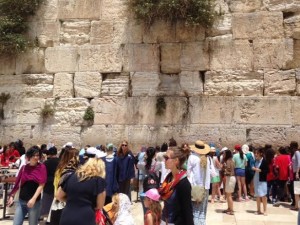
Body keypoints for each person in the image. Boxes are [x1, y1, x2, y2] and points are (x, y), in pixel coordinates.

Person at [56, 157, 106, 225]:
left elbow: (58, 196)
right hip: (85, 217)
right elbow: (100, 205)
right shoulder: (99, 181)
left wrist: (72, 200)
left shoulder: (70, 176)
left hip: (67, 216)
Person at [7, 146, 47, 225]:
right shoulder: (24, 168)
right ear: (29, 156)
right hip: (21, 201)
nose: (36, 157)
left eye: (37, 155)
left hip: (34, 203)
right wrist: (12, 196)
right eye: (34, 155)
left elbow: (41, 185)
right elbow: (18, 183)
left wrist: (33, 199)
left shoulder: (41, 167)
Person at [159, 146, 194, 225]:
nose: (164, 160)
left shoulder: (183, 184)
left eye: (167, 158)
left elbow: (187, 211)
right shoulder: (168, 179)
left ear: (176, 161)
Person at [49, 146, 79, 225]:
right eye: (77, 156)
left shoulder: (60, 168)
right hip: (64, 203)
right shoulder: (69, 172)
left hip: (57, 202)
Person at [187, 140, 211, 225]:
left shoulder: (192, 157)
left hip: (195, 188)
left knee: (195, 211)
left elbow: (188, 174)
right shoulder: (207, 159)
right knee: (202, 211)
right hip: (206, 188)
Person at [137, 147, 161, 214]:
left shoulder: (142, 164)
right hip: (154, 192)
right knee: (154, 213)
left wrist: (144, 158)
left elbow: (137, 164)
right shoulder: (158, 164)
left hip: (144, 191)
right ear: (155, 154)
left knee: (146, 213)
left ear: (146, 154)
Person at [41, 146, 59, 217]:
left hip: (48, 184)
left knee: (47, 205)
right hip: (58, 184)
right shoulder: (60, 161)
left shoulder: (46, 163)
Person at [252, 147, 268, 216]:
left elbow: (267, 171)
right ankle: (258, 210)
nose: (256, 154)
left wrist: (259, 170)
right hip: (256, 179)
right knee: (258, 195)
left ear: (261, 153)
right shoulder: (256, 161)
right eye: (255, 153)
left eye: (257, 153)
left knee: (263, 195)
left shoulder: (264, 161)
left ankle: (265, 210)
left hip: (262, 180)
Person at [222, 149, 236, 215]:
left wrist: (224, 169)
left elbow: (229, 171)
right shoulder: (231, 160)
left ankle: (231, 210)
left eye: (224, 154)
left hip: (230, 178)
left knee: (229, 195)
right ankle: (229, 208)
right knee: (228, 194)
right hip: (230, 178)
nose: (223, 155)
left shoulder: (228, 161)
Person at [290, 141, 300, 210]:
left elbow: (299, 163)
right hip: (295, 172)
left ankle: (297, 206)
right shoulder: (295, 153)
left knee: (297, 190)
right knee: (296, 190)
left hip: (297, 173)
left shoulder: (297, 152)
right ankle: (296, 206)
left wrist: (297, 172)